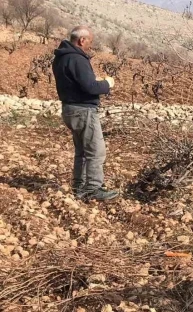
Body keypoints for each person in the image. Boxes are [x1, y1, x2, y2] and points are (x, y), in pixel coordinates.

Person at [52, 26, 118, 201]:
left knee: (81, 150)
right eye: (90, 41)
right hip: (83, 111)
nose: (90, 45)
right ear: (82, 40)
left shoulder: (60, 58)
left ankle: (78, 187)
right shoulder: (78, 59)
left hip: (69, 109)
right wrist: (107, 84)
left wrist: (93, 82)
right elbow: (90, 87)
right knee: (96, 151)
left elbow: (77, 83)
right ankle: (93, 188)